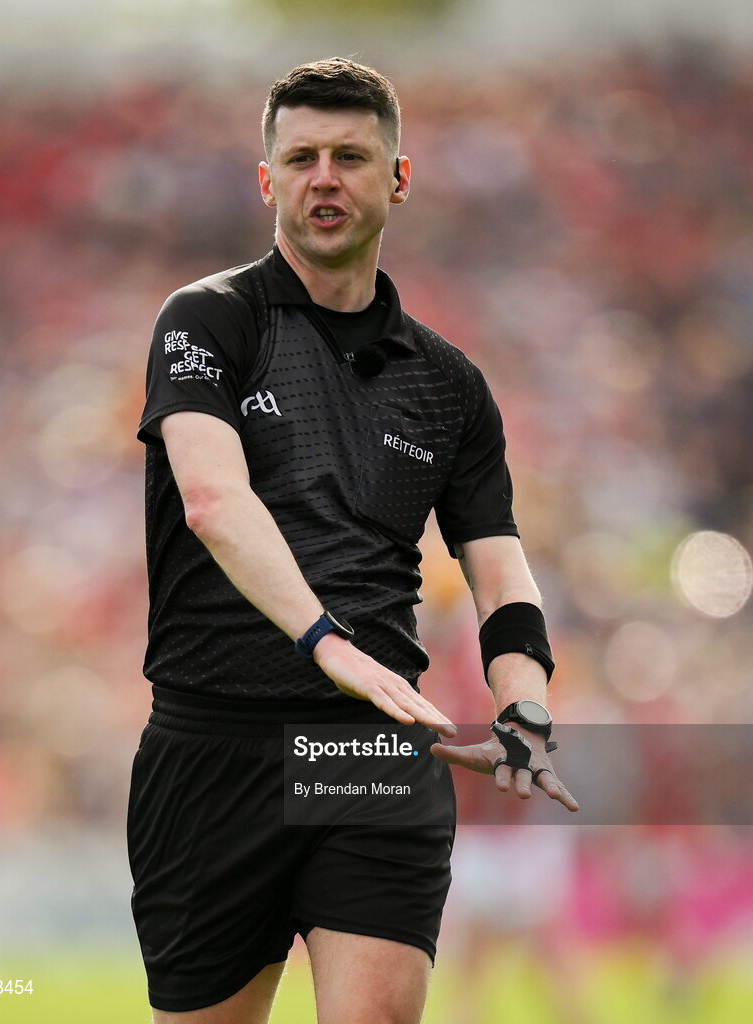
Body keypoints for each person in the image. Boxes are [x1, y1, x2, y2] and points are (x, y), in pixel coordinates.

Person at [128, 57, 578, 1024]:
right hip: (213, 747)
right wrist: (326, 643)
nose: (323, 177)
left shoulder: (450, 384)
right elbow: (212, 500)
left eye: (349, 156)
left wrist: (524, 703)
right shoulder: (206, 320)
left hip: (369, 749)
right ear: (267, 181)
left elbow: (497, 563)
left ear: (396, 178)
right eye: (300, 158)